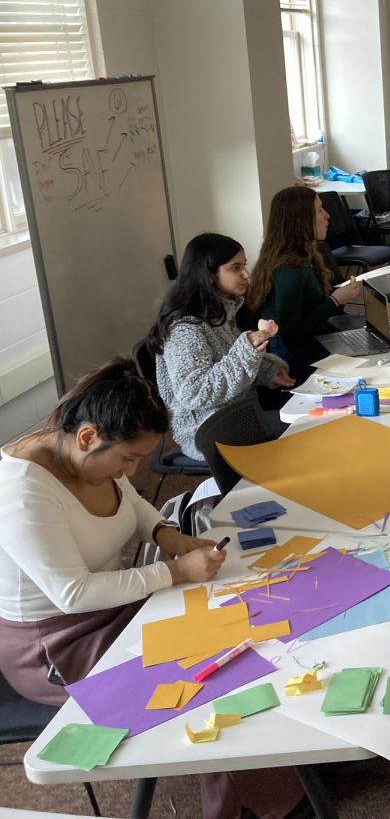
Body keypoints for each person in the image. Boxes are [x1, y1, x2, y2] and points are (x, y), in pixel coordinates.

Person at [0, 359, 306, 818]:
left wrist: (166, 534)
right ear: (88, 437)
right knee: (197, 679)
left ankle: (280, 766)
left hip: (112, 605)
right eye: (127, 459)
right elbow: (74, 595)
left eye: (138, 460)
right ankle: (248, 803)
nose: (131, 469)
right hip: (56, 643)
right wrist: (177, 572)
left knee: (225, 630)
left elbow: (134, 503)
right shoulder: (23, 492)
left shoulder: (86, 452)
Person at [148, 234, 293, 461]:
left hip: (241, 415)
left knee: (309, 424)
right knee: (303, 435)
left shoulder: (222, 312)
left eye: (244, 265)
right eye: (236, 268)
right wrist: (246, 352)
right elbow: (195, 392)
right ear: (209, 276)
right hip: (208, 430)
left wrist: (268, 371)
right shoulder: (184, 330)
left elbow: (231, 363)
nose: (247, 274)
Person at [248, 186, 361, 382]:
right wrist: (335, 300)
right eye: (319, 210)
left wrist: (337, 297)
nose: (327, 216)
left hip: (306, 344)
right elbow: (292, 335)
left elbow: (309, 308)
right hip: (291, 358)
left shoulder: (301, 257)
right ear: (300, 220)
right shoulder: (290, 267)